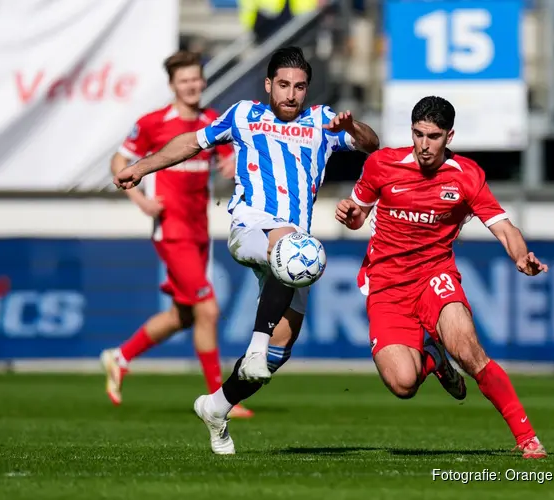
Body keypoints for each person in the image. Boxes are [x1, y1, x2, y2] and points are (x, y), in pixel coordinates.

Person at [113, 46, 380, 454]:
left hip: (293, 250)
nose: (292, 95)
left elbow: (371, 144)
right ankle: (255, 346)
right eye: (284, 86)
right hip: (251, 229)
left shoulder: (321, 121)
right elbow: (190, 143)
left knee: (276, 357)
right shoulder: (244, 115)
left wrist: (353, 125)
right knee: (288, 249)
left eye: (300, 87)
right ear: (269, 85)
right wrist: (142, 166)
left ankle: (216, 408)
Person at [335, 96, 548, 459]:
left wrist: (520, 256)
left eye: (433, 136)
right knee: (403, 383)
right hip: (386, 283)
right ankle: (433, 359)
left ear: (449, 136)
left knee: (469, 350)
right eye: (418, 134)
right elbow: (359, 215)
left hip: (435, 276)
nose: (424, 145)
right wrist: (349, 214)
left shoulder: (466, 176)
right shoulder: (382, 164)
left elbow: (504, 227)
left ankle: (527, 437)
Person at [101, 50, 253, 419]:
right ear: (172, 85)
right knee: (209, 308)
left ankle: (119, 357)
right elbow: (118, 162)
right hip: (171, 229)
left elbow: (225, 160)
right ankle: (221, 398)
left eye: (196, 78)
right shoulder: (154, 123)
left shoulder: (211, 120)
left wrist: (228, 162)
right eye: (184, 80)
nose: (192, 85)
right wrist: (139, 199)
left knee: (184, 315)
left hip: (200, 229)